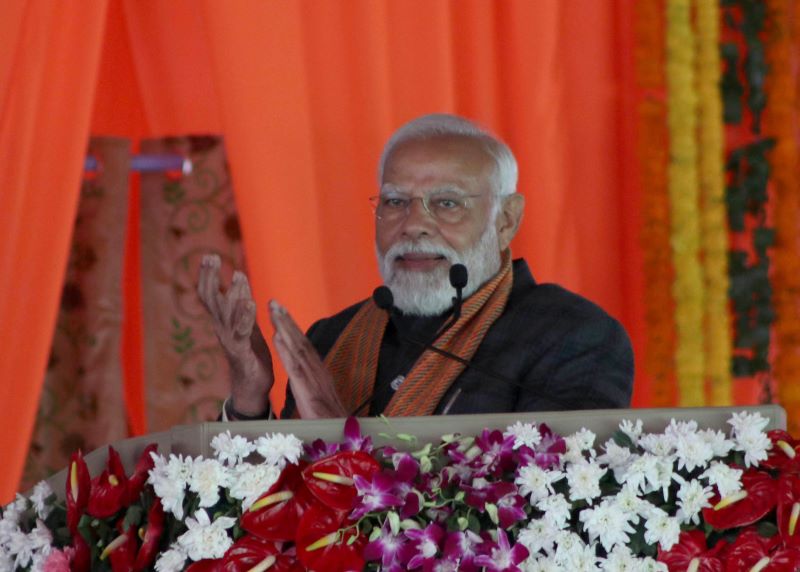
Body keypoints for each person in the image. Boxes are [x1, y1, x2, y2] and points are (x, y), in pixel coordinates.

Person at [197, 113, 634, 421]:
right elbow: (267, 508)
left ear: (506, 220)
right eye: (395, 202)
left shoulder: (572, 337)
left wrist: (338, 444)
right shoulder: (331, 339)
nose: (413, 225)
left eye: (447, 203)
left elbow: (551, 504)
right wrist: (249, 395)